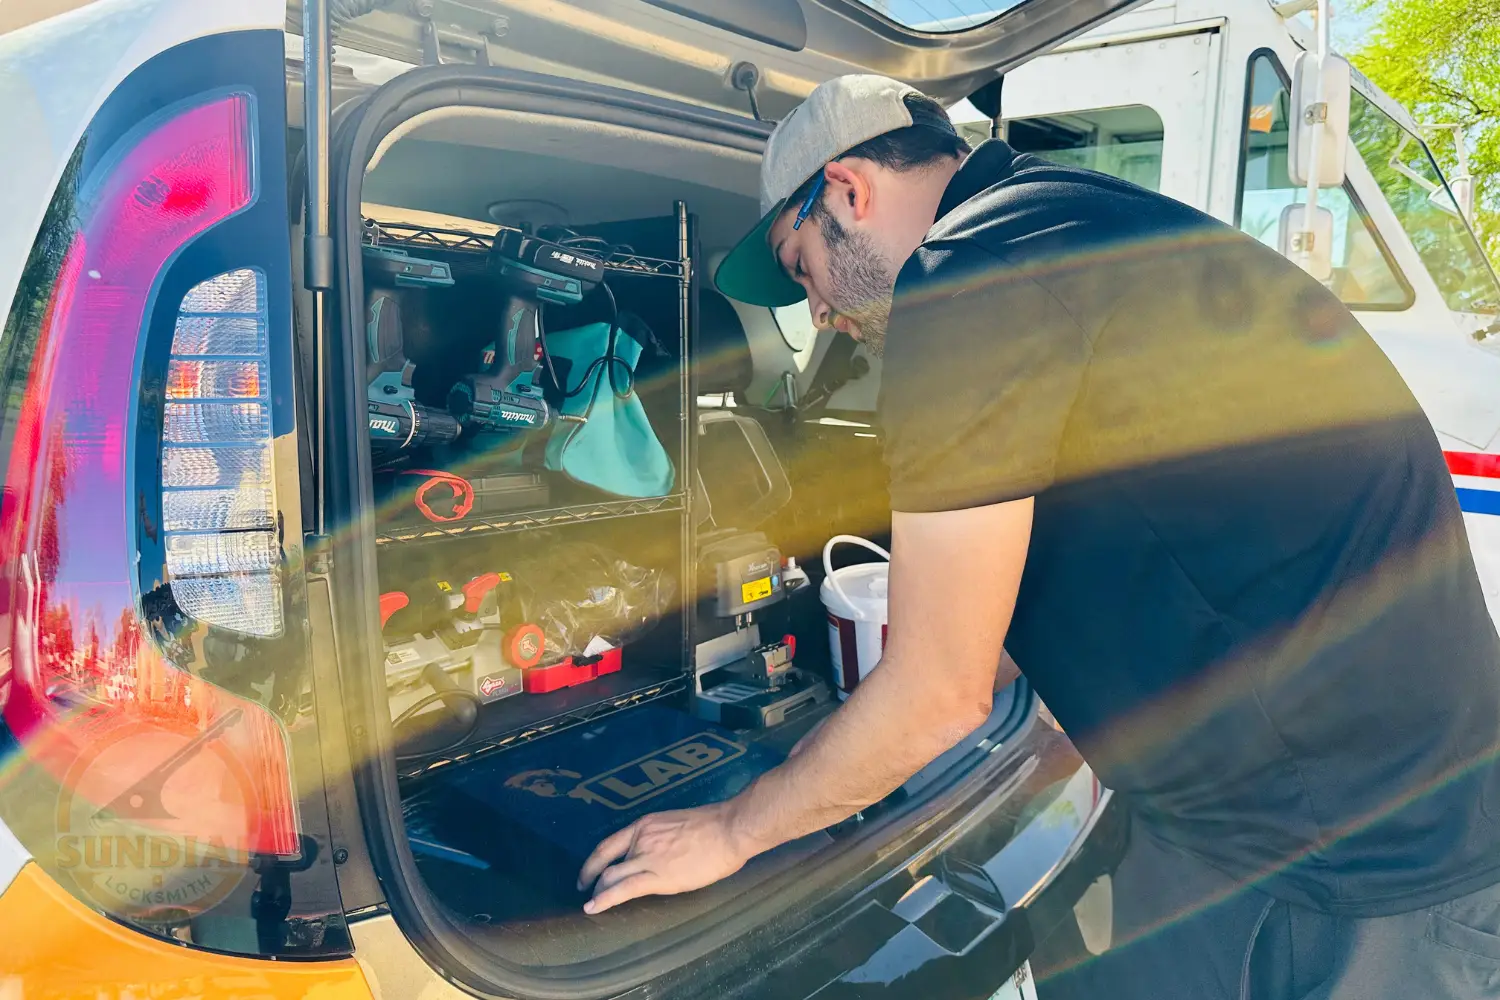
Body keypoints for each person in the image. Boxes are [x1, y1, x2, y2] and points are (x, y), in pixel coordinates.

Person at [577, 74, 1500, 997]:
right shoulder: (1076, 225)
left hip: (1353, 877)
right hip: (1291, 815)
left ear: (848, 193)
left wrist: (735, 828)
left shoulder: (967, 276)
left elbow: (942, 694)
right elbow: (1101, 551)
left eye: (798, 268)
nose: (815, 310)